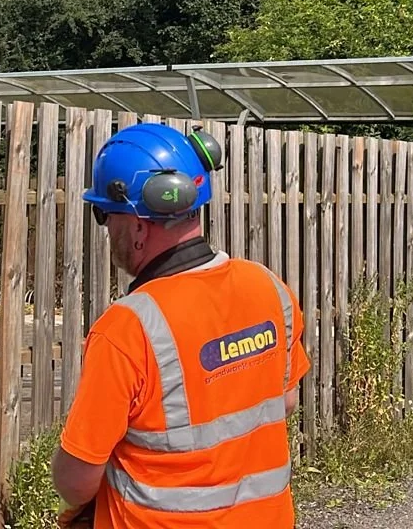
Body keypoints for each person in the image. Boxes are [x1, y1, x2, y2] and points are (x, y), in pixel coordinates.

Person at [53, 122, 309, 528]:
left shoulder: (126, 329)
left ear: (138, 225)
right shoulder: (267, 287)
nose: (107, 229)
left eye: (105, 214)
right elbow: (286, 400)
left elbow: (76, 481)